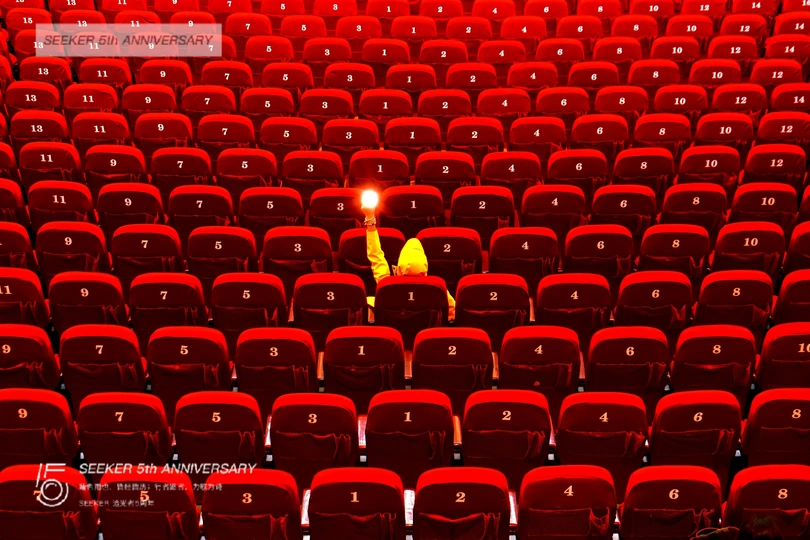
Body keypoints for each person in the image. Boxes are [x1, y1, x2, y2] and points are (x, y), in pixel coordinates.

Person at [362, 204, 455, 319]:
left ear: (399, 269)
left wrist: (370, 218)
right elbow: (453, 311)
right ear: (425, 269)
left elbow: (376, 256)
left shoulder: (387, 287)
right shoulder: (438, 290)